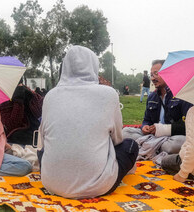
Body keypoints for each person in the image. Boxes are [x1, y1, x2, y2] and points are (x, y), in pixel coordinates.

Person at [39, 45, 138, 199]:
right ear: (93, 66)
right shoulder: (108, 94)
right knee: (131, 145)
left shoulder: (50, 96)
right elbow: (118, 139)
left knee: (42, 150)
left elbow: (42, 141)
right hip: (97, 186)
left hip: (50, 182)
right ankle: (115, 170)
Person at [123, 60, 193, 156]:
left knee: (177, 143)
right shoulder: (152, 97)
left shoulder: (182, 95)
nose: (153, 78)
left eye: (156, 74)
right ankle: (155, 148)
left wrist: (162, 129)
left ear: (168, 73)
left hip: (171, 138)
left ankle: (148, 147)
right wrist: (145, 127)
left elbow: (189, 125)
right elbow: (146, 119)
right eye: (151, 75)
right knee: (125, 132)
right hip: (153, 137)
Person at [0, 79, 43, 146]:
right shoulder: (4, 99)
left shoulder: (30, 94)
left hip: (31, 139)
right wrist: (19, 101)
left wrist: (32, 97)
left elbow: (40, 112)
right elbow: (11, 125)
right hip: (22, 140)